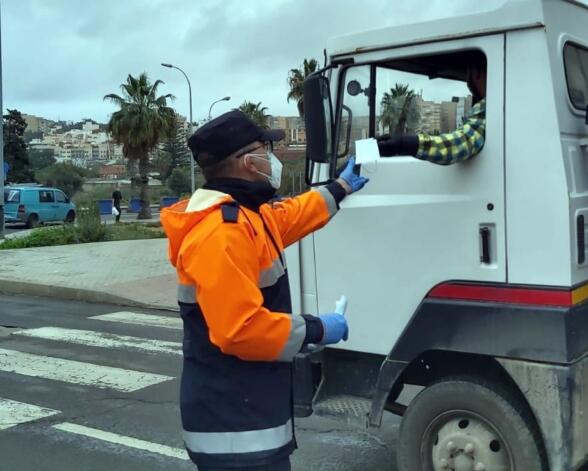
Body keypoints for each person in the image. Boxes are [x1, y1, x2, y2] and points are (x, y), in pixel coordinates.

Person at [159, 110, 369, 471]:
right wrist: (317, 328)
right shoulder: (220, 234)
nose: (272, 156)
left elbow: (292, 214)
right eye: (264, 148)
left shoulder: (248, 216)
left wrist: (340, 187)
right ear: (247, 162)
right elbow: (240, 331)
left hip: (248, 412)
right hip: (233, 431)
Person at [376, 58, 487, 165]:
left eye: (467, 76)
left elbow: (462, 143)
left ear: (476, 72)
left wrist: (405, 144)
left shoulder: (488, 109)